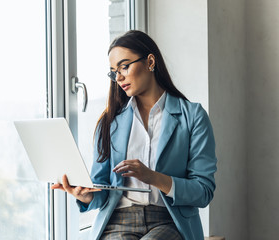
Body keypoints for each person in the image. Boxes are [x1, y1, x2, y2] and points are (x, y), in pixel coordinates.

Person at [51, 30, 217, 240]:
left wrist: (153, 177)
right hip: (118, 221)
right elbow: (101, 188)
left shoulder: (193, 116)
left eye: (124, 66)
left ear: (149, 61)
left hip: (169, 222)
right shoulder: (110, 122)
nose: (118, 77)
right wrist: (86, 196)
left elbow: (203, 191)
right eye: (113, 71)